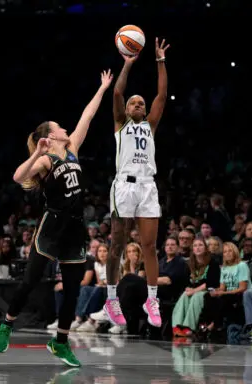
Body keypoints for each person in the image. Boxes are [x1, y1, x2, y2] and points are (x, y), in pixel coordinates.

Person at [0, 70, 113, 367]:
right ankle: (7, 324)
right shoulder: (46, 159)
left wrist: (102, 88)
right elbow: (18, 177)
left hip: (74, 227)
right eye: (59, 127)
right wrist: (37, 155)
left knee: (72, 289)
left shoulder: (72, 149)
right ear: (49, 135)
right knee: (31, 280)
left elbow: (88, 115)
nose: (65, 128)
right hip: (51, 226)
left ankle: (60, 342)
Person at [104, 38, 170, 328]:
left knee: (150, 246)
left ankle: (151, 299)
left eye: (141, 102)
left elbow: (162, 95)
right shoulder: (121, 124)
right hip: (124, 187)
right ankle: (111, 298)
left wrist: (160, 61)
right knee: (117, 243)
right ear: (127, 109)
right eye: (134, 102)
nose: (138, 104)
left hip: (147, 186)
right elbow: (117, 92)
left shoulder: (150, 126)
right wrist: (127, 64)